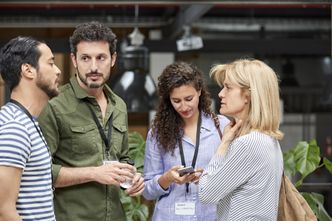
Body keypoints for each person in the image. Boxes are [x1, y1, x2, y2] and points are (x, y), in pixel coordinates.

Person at [38, 21, 144, 221]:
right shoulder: (54, 106)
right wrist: (94, 173)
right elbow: (40, 171)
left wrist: (133, 177)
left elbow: (122, 158)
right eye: (85, 58)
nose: (93, 67)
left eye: (101, 57)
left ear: (113, 59)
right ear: (74, 59)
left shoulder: (119, 105)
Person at [199, 58, 284, 220]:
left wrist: (223, 144)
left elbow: (206, 193)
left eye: (228, 88)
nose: (221, 94)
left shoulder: (248, 144)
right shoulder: (268, 140)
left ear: (248, 96)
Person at [143, 62, 230, 221]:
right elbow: (147, 191)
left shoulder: (222, 126)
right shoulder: (157, 133)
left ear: (199, 91)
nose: (184, 106)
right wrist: (167, 178)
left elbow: (233, 177)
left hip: (210, 216)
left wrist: (208, 177)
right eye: (176, 101)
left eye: (189, 98)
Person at [0, 36, 61, 221]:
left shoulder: (27, 122)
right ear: (28, 70)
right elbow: (4, 211)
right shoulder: (15, 128)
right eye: (51, 63)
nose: (58, 71)